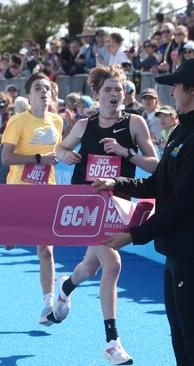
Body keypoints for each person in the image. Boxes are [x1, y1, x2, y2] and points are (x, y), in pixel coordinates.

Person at [54, 65, 158, 365]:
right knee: (111, 265)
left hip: (119, 206)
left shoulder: (134, 123)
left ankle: (65, 287)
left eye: (119, 90)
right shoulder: (84, 126)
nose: (115, 94)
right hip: (87, 208)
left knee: (90, 267)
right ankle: (112, 343)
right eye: (109, 90)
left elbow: (153, 165)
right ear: (96, 94)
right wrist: (65, 155)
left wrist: (125, 153)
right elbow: (59, 149)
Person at [98, 58, 194, 366]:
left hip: (190, 255)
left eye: (176, 87)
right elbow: (158, 183)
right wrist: (117, 183)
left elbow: (181, 203)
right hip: (175, 253)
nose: (171, 94)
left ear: (191, 92)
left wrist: (133, 235)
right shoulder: (180, 132)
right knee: (179, 334)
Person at [1, 72, 63, 326]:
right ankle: (8, 231)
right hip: (18, 191)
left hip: (46, 191)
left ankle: (48, 304)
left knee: (46, 249)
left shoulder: (57, 122)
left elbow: (58, 152)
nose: (44, 92)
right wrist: (39, 159)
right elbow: (6, 158)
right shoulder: (18, 120)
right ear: (29, 95)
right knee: (8, 244)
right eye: (38, 88)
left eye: (47, 88)